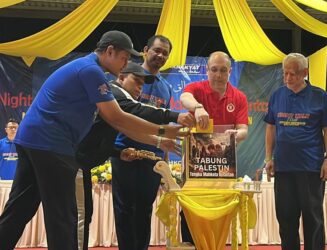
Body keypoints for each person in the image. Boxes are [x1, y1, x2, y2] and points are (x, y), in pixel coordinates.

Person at [0, 30, 186, 250]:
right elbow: (118, 117)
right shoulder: (92, 71)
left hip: (32, 139)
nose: (126, 64)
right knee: (63, 216)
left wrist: (157, 140)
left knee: (21, 207)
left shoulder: (89, 70)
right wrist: (164, 131)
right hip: (52, 143)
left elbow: (118, 123)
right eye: (125, 59)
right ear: (109, 51)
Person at [74, 61, 194, 250]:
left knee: (83, 214)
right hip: (72, 160)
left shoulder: (118, 101)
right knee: (80, 216)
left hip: (84, 161)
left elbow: (126, 127)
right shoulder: (114, 92)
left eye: (142, 83)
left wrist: (157, 142)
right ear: (121, 77)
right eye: (136, 81)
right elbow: (137, 111)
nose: (140, 87)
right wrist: (173, 121)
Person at [112, 35, 184, 250]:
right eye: (157, 50)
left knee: (144, 210)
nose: (160, 56)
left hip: (153, 158)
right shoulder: (128, 77)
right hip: (126, 153)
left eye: (165, 53)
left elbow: (161, 121)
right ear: (145, 50)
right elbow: (130, 115)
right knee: (124, 210)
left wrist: (165, 158)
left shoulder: (166, 87)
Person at [264, 53, 327, 250]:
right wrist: (268, 158)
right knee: (286, 219)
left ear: (305, 73)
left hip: (311, 168)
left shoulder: (319, 95)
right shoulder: (277, 95)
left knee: (313, 218)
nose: (288, 78)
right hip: (283, 168)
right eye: (285, 73)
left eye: (293, 74)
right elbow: (270, 127)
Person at [179, 51, 249, 244]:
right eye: (214, 70)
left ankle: (216, 244)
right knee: (190, 206)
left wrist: (236, 136)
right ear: (207, 70)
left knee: (220, 208)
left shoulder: (239, 97)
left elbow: (243, 130)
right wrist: (198, 107)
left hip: (222, 166)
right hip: (196, 165)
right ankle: (190, 244)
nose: (218, 75)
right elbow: (185, 97)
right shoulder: (197, 88)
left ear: (230, 72)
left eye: (223, 70)